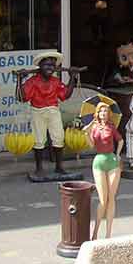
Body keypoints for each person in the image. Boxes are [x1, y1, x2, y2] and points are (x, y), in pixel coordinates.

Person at [15, 50, 77, 178]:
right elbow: (21, 98)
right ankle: (39, 168)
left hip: (53, 110)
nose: (50, 68)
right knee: (39, 139)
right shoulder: (33, 81)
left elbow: (65, 95)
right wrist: (19, 80)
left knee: (58, 137)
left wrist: (72, 78)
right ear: (40, 67)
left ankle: (59, 167)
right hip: (38, 111)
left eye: (52, 66)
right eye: (46, 65)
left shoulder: (55, 81)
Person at [85, 102, 123, 239]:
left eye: (106, 112)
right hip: (99, 161)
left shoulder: (111, 127)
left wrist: (118, 154)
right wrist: (87, 131)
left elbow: (120, 140)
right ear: (97, 114)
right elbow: (91, 145)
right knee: (103, 199)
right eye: (101, 112)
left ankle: (108, 233)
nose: (104, 114)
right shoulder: (94, 127)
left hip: (112, 161)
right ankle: (95, 232)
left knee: (111, 198)